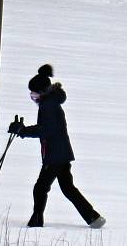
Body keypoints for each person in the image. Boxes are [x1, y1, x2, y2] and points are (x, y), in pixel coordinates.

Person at [9, 64, 106, 229]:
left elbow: (45, 130)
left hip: (54, 155)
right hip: (61, 154)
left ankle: (36, 220)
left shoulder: (49, 106)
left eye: (34, 93)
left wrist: (23, 130)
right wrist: (23, 130)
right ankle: (93, 218)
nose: (32, 97)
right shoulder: (50, 103)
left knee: (40, 188)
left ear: (42, 92)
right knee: (67, 188)